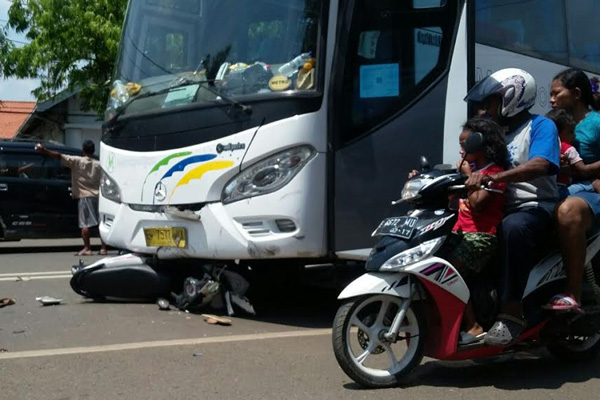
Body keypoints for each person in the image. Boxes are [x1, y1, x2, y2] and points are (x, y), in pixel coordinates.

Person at [463, 68, 560, 346]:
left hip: (536, 208)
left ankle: (511, 313)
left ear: (511, 98)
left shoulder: (540, 126)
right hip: (499, 206)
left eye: (490, 102)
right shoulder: (493, 133)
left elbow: (541, 164)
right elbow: (468, 160)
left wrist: (496, 177)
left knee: (512, 227)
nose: (485, 109)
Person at [443, 117, 508, 345]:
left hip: (482, 237)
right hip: (461, 232)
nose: (461, 150)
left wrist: (469, 174)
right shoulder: (472, 171)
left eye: (465, 145)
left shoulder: (494, 172)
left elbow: (478, 202)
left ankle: (473, 326)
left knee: (449, 275)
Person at [546, 68, 600, 312]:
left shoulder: (596, 122)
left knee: (568, 211)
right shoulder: (550, 124)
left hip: (592, 191)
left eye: (557, 93)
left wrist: (586, 170)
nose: (551, 99)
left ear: (576, 93)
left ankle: (572, 293)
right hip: (563, 188)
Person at [35, 140, 107, 256]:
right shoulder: (99, 164)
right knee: (101, 224)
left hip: (85, 196)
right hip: (98, 196)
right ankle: (103, 248)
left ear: (83, 150)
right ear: (93, 151)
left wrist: (43, 150)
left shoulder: (77, 161)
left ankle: (87, 248)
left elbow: (58, 155)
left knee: (85, 224)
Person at [545, 108, 600, 199]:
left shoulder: (545, 146)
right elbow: (584, 169)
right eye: (571, 132)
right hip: (560, 190)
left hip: (545, 190)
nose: (574, 136)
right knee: (594, 183)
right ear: (557, 132)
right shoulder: (568, 149)